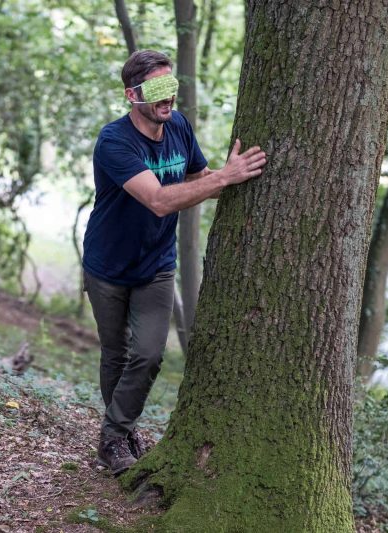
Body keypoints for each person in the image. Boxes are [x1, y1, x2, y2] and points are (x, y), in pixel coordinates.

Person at [83, 50, 267, 475]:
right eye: (157, 89)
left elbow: (199, 181)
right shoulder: (114, 141)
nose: (168, 97)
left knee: (148, 354)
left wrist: (231, 176)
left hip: (156, 265)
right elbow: (159, 201)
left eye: (172, 86)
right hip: (107, 266)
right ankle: (119, 437)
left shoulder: (179, 126)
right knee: (116, 353)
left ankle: (112, 434)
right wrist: (224, 178)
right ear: (133, 95)